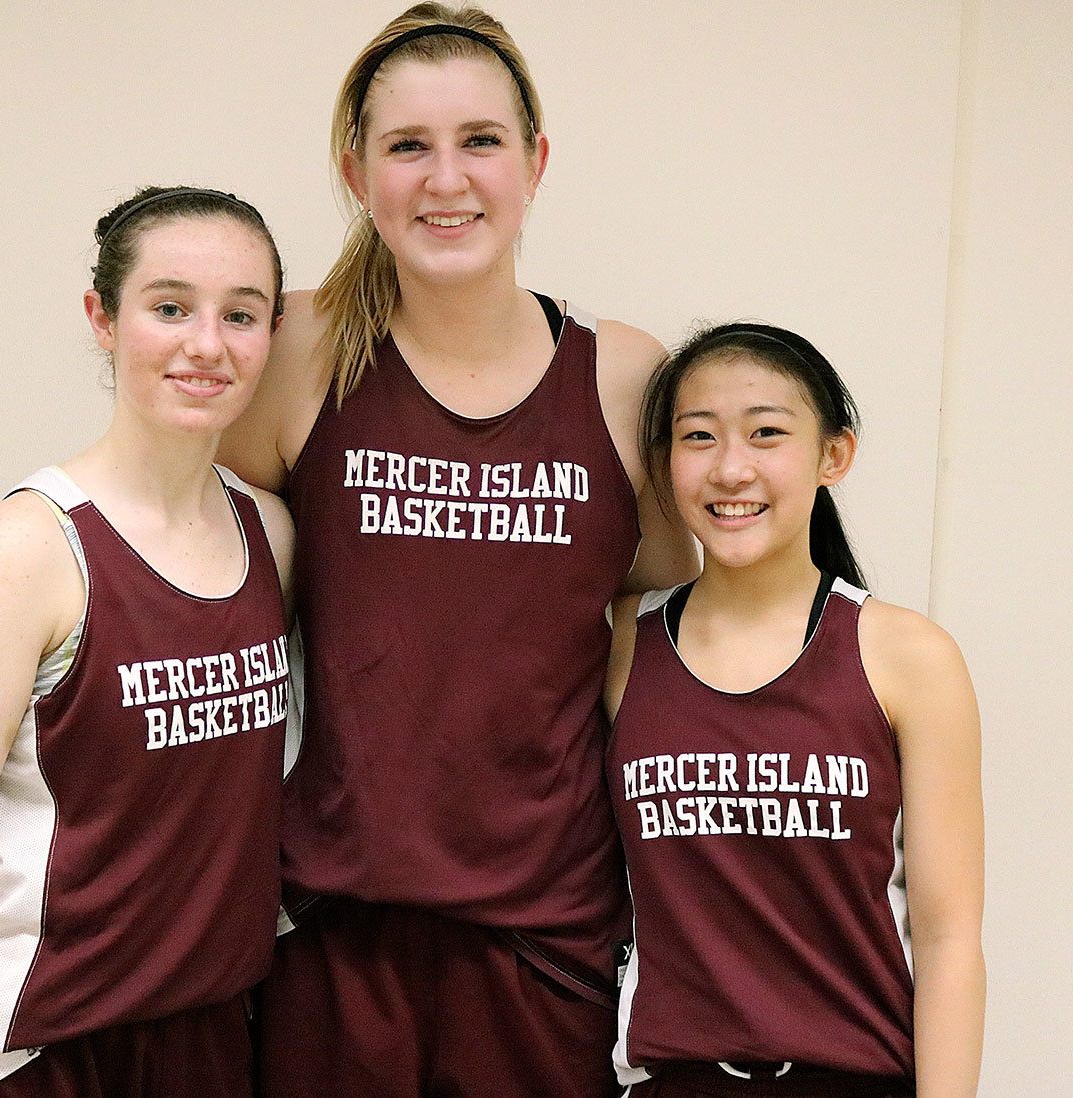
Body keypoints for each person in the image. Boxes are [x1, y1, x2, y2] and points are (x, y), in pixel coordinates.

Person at [216, 5, 697, 1095]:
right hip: (332, 931)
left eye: (479, 140)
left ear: (533, 161)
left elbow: (657, 627)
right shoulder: (296, 353)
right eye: (406, 146)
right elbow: (187, 559)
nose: (446, 179)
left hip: (542, 943)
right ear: (355, 169)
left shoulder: (621, 378)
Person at [0, 186, 294, 1098]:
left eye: (242, 315)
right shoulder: (25, 549)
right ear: (103, 319)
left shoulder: (271, 534)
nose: (206, 344)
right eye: (170, 307)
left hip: (212, 1041)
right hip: (47, 1053)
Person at [605, 324, 985, 1097]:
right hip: (673, 1079)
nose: (730, 468)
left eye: (767, 434)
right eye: (698, 437)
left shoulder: (908, 657)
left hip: (852, 1076)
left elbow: (948, 939)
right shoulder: (620, 645)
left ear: (832, 456)